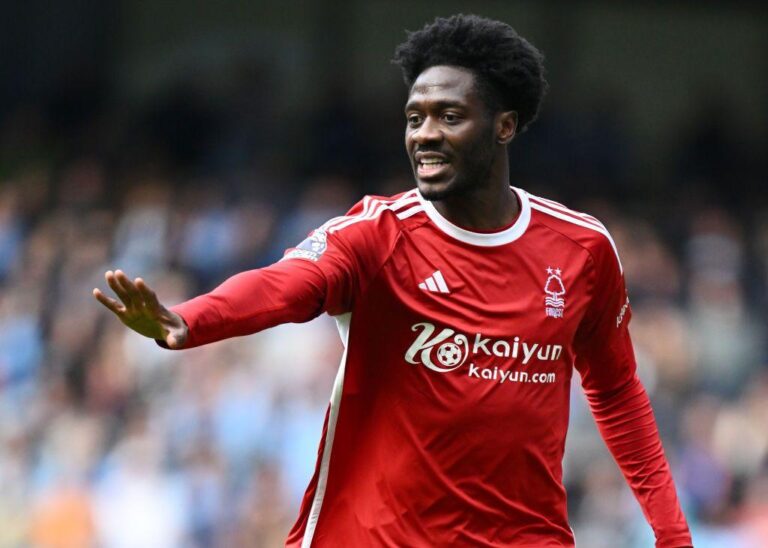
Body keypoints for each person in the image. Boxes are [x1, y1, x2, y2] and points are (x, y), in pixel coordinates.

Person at [94, 14, 693, 547]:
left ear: (504, 126)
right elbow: (285, 285)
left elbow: (617, 392)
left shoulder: (582, 249)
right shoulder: (376, 234)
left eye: (449, 116)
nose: (424, 134)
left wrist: (671, 534)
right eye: (414, 118)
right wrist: (190, 320)